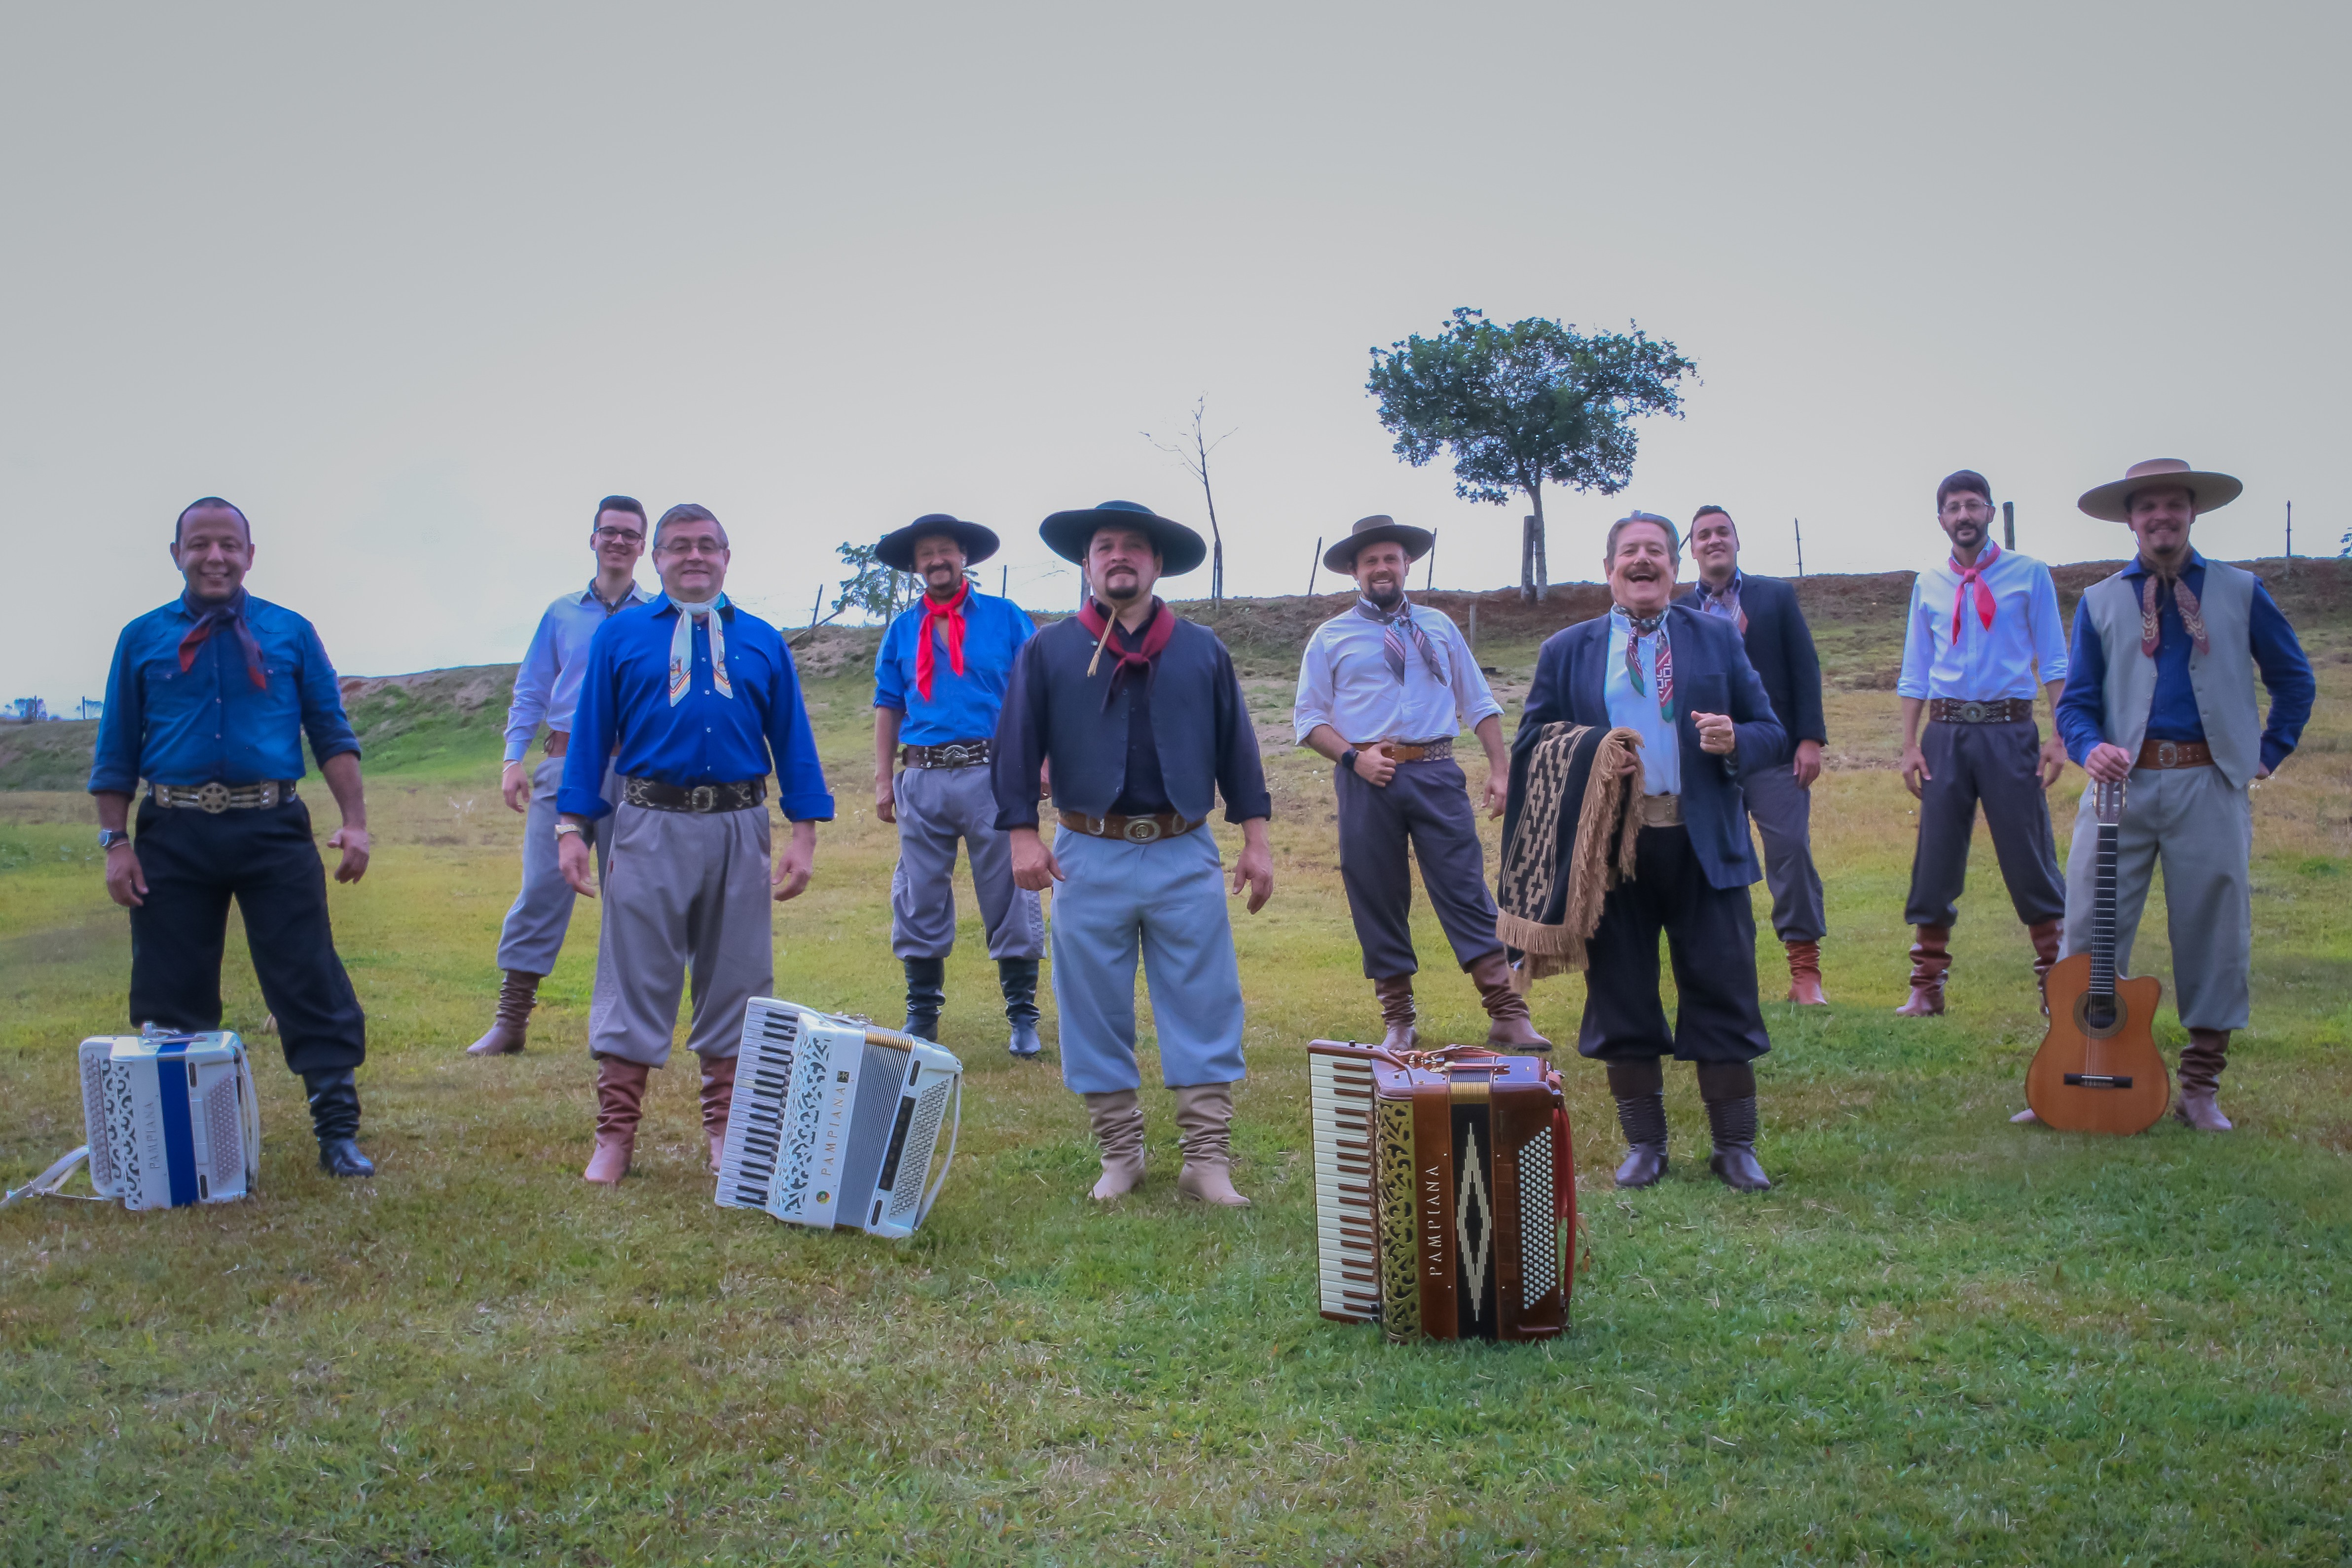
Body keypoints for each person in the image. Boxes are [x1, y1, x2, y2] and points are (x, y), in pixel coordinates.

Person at [991, 500, 1273, 1206]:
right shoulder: (1048, 648)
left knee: (1205, 1000)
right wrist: (1022, 833)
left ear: (1156, 563)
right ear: (1087, 564)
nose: (1120, 555)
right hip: (1087, 850)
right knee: (1091, 1003)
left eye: (1135, 546)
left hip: (1184, 851)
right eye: (1105, 546)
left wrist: (1257, 839)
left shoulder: (1202, 649)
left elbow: (1238, 748)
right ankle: (1122, 1153)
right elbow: (1017, 745)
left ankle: (1205, 1160)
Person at [89, 497, 377, 1176]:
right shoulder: (141, 637)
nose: (214, 556)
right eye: (199, 544)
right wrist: (116, 842)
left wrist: (356, 822)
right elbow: (116, 749)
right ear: (177, 553)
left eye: (228, 544)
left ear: (250, 554)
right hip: (173, 832)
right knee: (172, 984)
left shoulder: (290, 632)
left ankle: (337, 1132)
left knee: (308, 975)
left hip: (272, 827)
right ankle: (179, 1140)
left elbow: (331, 733)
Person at [556, 504, 833, 1184]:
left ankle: (726, 1132)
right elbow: (590, 736)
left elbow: (793, 740)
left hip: (740, 824)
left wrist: (803, 832)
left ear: (727, 556)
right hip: (648, 821)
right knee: (632, 976)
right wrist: (571, 825)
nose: (694, 557)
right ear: (657, 558)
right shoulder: (622, 637)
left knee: (738, 975)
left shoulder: (763, 640)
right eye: (678, 547)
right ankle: (615, 1137)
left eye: (707, 546)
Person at [1513, 511, 1786, 1191]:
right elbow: (1530, 744)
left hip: (1706, 844)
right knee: (1622, 993)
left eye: (1656, 551)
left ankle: (1735, 1146)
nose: (1644, 560)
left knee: (1723, 985)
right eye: (1630, 551)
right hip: (1611, 854)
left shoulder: (1718, 639)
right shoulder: (1567, 649)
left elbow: (1771, 733)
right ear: (1609, 568)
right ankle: (1646, 1145)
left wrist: (1735, 740)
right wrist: (1594, 754)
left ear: (1676, 566)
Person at [2045, 458, 2313, 1131]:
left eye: (2173, 505)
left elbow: (2295, 679)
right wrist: (2087, 746)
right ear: (2130, 519)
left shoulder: (2241, 590)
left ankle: (2200, 1086)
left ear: (2193, 511)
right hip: (2118, 789)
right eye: (2147, 508)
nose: (2160, 517)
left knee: (2215, 930)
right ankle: (2067, 1067)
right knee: (2085, 926)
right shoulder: (2103, 600)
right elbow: (2075, 704)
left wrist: (2267, 751)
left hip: (2209, 781)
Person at [1292, 513, 1544, 1050]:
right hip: (1366, 777)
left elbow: (1477, 700)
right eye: (1370, 561)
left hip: (1435, 771)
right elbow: (1308, 719)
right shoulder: (1331, 636)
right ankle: (1399, 1020)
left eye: (1390, 558)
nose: (1381, 568)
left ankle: (1507, 1011)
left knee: (1464, 888)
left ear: (1406, 564)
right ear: (1354, 572)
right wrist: (1353, 761)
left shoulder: (1439, 627)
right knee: (1376, 892)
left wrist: (1501, 768)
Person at [466, 496, 653, 1055]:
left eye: (629, 534)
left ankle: (616, 1027)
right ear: (592, 539)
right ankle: (510, 1019)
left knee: (631, 892)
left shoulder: (659, 614)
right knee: (543, 887)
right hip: (565, 761)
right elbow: (532, 685)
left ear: (643, 546)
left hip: (638, 768)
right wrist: (512, 757)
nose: (618, 541)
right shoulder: (561, 613)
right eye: (609, 532)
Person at [1893, 470, 2070, 1017]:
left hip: (2009, 730)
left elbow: (2056, 659)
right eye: (1953, 507)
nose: (1964, 515)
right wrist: (1909, 744)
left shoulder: (2029, 574)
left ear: (1991, 512)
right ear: (1941, 518)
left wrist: (2060, 737)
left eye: (1973, 505)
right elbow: (1915, 669)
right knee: (1937, 853)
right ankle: (1926, 984)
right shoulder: (1928, 583)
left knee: (2027, 851)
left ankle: (2055, 985)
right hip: (1944, 732)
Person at [871, 513, 1046, 1057]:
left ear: (963, 557)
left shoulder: (1006, 617)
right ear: (915, 565)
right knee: (919, 893)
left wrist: (1041, 762)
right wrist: (883, 779)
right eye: (926, 554)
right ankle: (922, 1015)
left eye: (945, 550)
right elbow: (888, 705)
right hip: (922, 775)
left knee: (1011, 892)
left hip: (993, 771)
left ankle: (1022, 1016)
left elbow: (1037, 693)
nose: (936, 561)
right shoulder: (902, 630)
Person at [1682, 506, 1832, 1004]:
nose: (1713, 540)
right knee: (1712, 865)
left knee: (1790, 851)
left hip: (1774, 754)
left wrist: (1809, 738)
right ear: (1692, 548)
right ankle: (1724, 974)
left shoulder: (1775, 597)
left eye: (1722, 531)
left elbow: (1804, 668)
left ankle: (1804, 972)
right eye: (1703, 535)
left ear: (1737, 541)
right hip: (1706, 763)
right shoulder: (1679, 611)